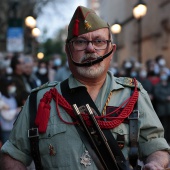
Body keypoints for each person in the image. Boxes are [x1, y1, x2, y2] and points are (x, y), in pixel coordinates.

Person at [0, 6, 170, 170]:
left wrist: (156, 163)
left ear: (111, 50)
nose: (90, 48)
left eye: (99, 41)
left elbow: (155, 144)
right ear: (68, 50)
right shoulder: (40, 100)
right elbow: (13, 154)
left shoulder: (134, 95)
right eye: (80, 41)